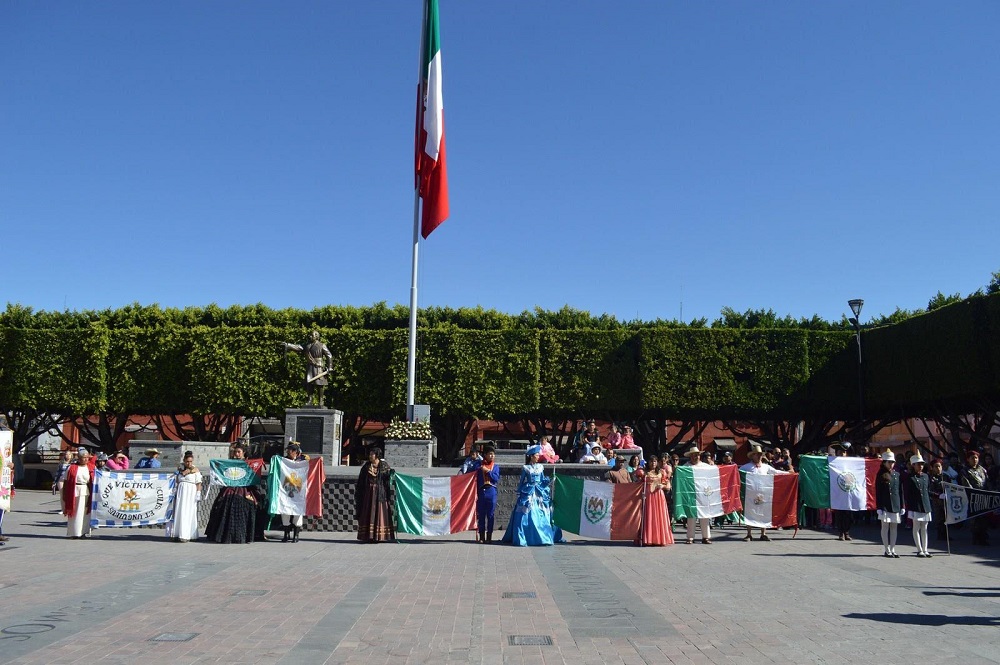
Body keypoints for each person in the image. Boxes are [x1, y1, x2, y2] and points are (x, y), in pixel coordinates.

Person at [502, 445, 556, 546]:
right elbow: (522, 481)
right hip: (529, 492)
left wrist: (550, 479)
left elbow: (543, 479)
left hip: (539, 491)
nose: (538, 456)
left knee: (541, 513)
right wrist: (520, 492)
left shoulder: (540, 467)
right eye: (536, 455)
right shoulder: (526, 468)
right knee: (524, 514)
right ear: (531, 456)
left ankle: (543, 538)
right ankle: (524, 537)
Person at [205, 444, 259, 544]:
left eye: (239, 452)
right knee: (223, 508)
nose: (237, 454)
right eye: (235, 452)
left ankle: (242, 536)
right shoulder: (229, 463)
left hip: (243, 489)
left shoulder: (247, 464)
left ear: (244, 453)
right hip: (229, 488)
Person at [740, 443, 785, 542]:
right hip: (750, 494)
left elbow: (776, 472)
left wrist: (790, 474)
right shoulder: (746, 467)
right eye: (757, 454)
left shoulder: (766, 467)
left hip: (764, 494)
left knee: (764, 513)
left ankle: (763, 534)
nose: (759, 456)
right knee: (750, 513)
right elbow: (737, 474)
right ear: (753, 455)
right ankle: (749, 534)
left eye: (760, 454)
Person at [280, 330, 334, 406]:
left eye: (312, 335)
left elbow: (329, 355)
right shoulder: (307, 345)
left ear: (316, 336)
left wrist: (330, 367)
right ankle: (310, 400)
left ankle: (321, 401)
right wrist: (288, 345)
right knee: (309, 384)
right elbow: (298, 347)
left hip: (318, 367)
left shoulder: (322, 345)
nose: (310, 336)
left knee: (319, 384)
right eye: (310, 335)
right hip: (310, 366)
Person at [356, 447, 395, 543]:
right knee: (369, 511)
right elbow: (361, 480)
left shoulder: (383, 465)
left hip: (380, 493)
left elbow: (388, 478)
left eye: (372, 454)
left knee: (380, 512)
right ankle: (368, 535)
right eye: (369, 454)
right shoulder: (366, 466)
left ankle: (380, 535)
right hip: (368, 494)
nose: (370, 456)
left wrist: (391, 474)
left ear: (377, 455)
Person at [682, 445, 713, 544]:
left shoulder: (706, 467)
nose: (696, 457)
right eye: (694, 455)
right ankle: (690, 537)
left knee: (705, 516)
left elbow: (714, 474)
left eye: (697, 455)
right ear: (690, 456)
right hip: (691, 494)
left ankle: (706, 537)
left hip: (704, 494)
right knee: (691, 516)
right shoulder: (685, 467)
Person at [169, 451, 203, 543]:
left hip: (190, 492)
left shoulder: (195, 470)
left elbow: (198, 482)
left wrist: (198, 493)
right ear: (184, 461)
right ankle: (178, 533)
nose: (189, 463)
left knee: (188, 511)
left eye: (191, 461)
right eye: (187, 461)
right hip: (181, 492)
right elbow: (177, 480)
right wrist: (175, 489)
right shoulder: (180, 469)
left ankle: (188, 534)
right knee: (180, 511)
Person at [905, 454, 933, 557]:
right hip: (915, 505)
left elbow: (928, 490)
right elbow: (907, 493)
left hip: (925, 504)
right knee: (916, 527)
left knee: (924, 528)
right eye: (918, 464)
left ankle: (925, 549)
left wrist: (939, 495)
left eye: (922, 464)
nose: (920, 466)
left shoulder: (926, 476)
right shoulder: (910, 477)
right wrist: (907, 506)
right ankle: (919, 549)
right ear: (913, 465)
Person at [959, 449, 990, 546]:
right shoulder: (965, 470)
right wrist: (973, 493)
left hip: (984, 496)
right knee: (975, 518)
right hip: (973, 497)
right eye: (972, 458)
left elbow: (987, 482)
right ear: (968, 459)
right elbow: (966, 483)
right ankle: (976, 536)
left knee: (984, 517)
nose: (975, 460)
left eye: (976, 458)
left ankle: (983, 536)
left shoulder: (982, 469)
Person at [62, 447, 94, 539]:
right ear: (79, 458)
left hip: (86, 490)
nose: (86, 459)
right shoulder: (72, 468)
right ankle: (74, 532)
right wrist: (64, 494)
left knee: (85, 513)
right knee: (75, 513)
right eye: (84, 457)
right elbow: (66, 481)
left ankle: (84, 531)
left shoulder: (91, 467)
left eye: (87, 457)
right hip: (74, 491)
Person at [641, 456, 674, 546]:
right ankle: (648, 538)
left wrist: (662, 486)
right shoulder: (643, 472)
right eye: (651, 461)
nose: (653, 463)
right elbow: (638, 483)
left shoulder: (661, 472)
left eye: (655, 461)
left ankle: (659, 538)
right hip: (648, 496)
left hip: (658, 496)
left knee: (659, 516)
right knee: (649, 516)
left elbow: (668, 484)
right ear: (648, 462)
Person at [874, 451, 901, 558]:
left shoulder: (896, 474)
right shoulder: (880, 474)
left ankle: (893, 548)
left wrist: (902, 505)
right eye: (889, 462)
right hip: (885, 504)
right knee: (885, 527)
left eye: (893, 462)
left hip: (895, 503)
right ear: (884, 462)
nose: (891, 464)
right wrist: (879, 507)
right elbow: (878, 491)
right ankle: (886, 549)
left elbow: (899, 491)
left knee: (894, 527)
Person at [279, 442, 306, 542]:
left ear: (295, 452)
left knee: (298, 512)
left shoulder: (302, 461)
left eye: (290, 450)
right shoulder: (284, 461)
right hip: (286, 491)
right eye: (287, 450)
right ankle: (286, 534)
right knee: (284, 511)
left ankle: (296, 535)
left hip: (298, 492)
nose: (288, 452)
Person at [475, 446, 500, 543]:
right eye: (490, 454)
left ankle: (489, 536)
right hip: (481, 492)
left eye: (493, 454)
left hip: (491, 491)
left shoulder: (495, 467)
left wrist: (488, 471)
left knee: (490, 515)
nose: (492, 456)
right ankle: (482, 536)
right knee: (481, 514)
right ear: (485, 455)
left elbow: (496, 478)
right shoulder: (479, 466)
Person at [831, 443, 854, 541]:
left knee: (849, 514)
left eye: (844, 452)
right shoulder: (833, 463)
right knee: (839, 513)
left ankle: (847, 532)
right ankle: (841, 533)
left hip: (848, 491)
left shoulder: (851, 462)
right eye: (840, 452)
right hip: (838, 491)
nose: (842, 453)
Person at [927, 458, 947, 541]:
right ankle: (940, 534)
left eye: (939, 466)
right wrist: (938, 495)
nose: (938, 468)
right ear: (932, 468)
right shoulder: (930, 477)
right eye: (936, 467)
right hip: (936, 500)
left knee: (946, 517)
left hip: (946, 499)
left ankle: (946, 534)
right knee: (939, 517)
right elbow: (929, 490)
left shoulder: (945, 476)